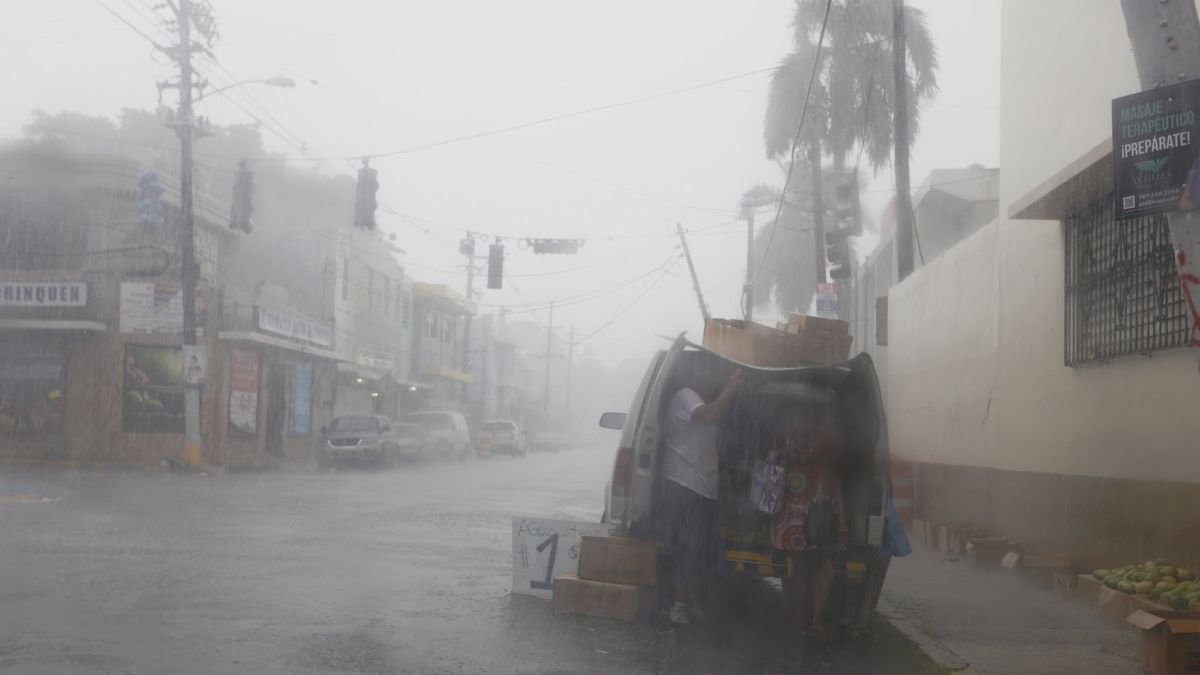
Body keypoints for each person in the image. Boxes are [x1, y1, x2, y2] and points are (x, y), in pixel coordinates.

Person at [662, 368, 743, 625]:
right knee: (687, 547)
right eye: (711, 375)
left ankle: (692, 601)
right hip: (684, 485)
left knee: (701, 551)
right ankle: (678, 604)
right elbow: (709, 415)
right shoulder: (686, 396)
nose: (714, 381)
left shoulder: (705, 401)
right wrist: (730, 387)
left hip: (704, 488)